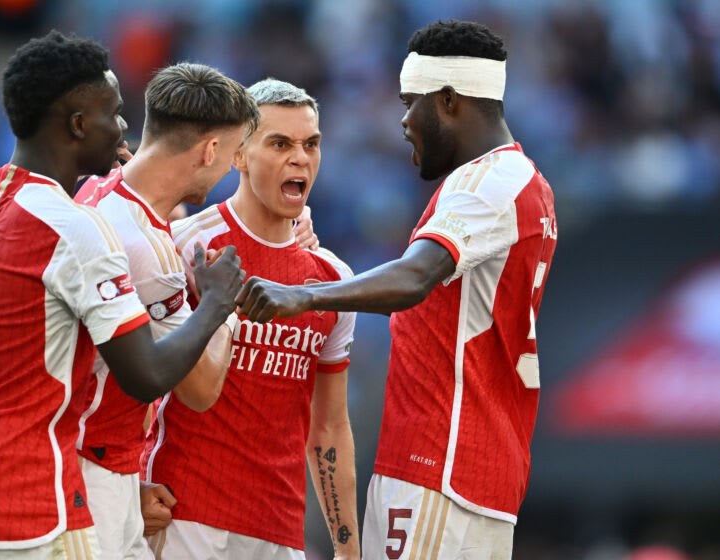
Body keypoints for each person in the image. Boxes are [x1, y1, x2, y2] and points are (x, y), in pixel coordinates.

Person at [0, 31, 243, 559]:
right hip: (22, 503)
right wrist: (216, 303)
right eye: (114, 113)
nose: (125, 128)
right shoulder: (76, 232)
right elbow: (145, 374)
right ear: (79, 125)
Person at [236, 20, 558, 559]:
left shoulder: (487, 182)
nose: (404, 121)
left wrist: (306, 295)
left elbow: (415, 276)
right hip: (470, 466)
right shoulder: (528, 183)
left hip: (440, 465)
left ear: (450, 101)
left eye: (413, 102)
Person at [141, 79, 360, 560]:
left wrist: (347, 551)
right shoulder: (185, 245)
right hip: (185, 517)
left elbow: (328, 428)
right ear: (238, 155)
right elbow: (128, 375)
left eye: (311, 144)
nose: (300, 158)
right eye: (280, 144)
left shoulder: (332, 279)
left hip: (280, 531)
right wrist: (131, 483)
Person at [72, 62, 260, 559]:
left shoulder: (95, 189)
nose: (228, 172)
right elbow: (200, 390)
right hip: (97, 472)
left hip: (90, 465)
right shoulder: (146, 250)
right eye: (233, 154)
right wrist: (221, 307)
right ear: (211, 149)